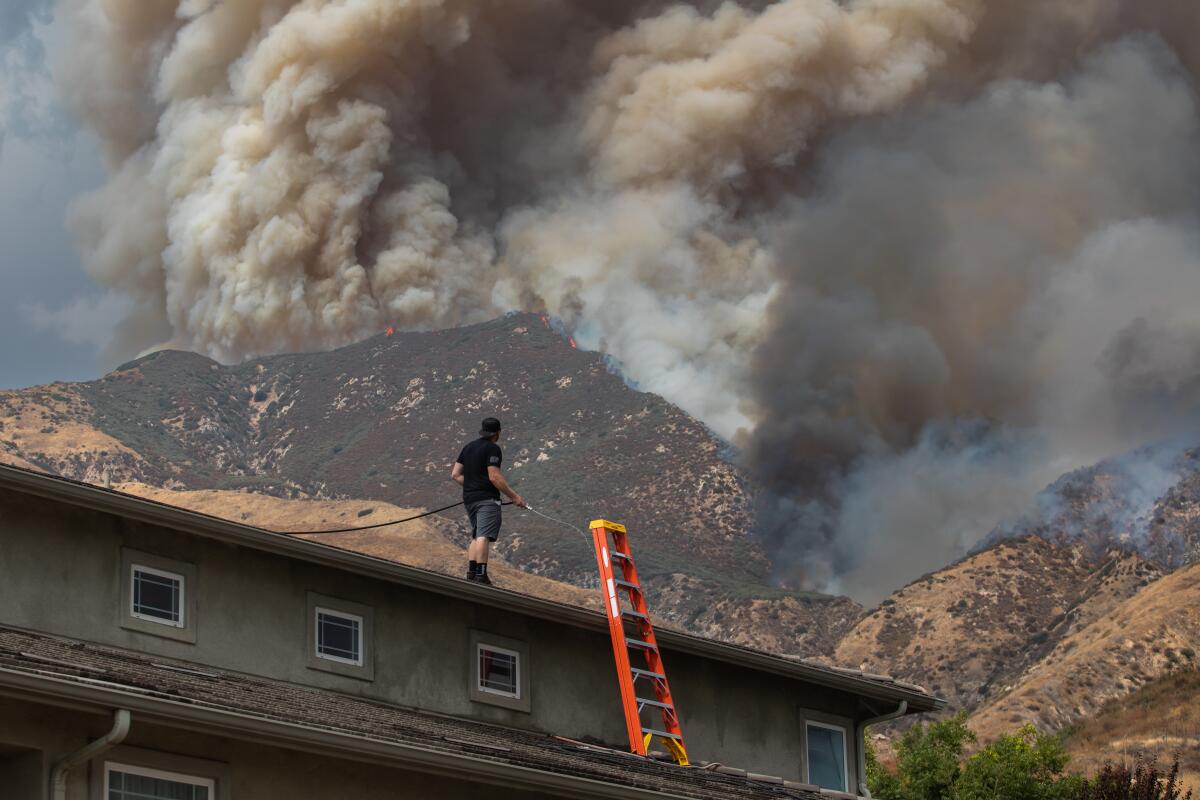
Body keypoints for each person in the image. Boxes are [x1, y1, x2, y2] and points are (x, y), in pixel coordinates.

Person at [451, 417, 526, 585]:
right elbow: (494, 476)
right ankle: (481, 574)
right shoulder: (493, 449)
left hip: (469, 498)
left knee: (477, 535)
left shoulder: (468, 447)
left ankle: (471, 572)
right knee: (483, 535)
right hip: (487, 499)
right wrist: (514, 497)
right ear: (497, 433)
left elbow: (455, 474)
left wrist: (472, 485)